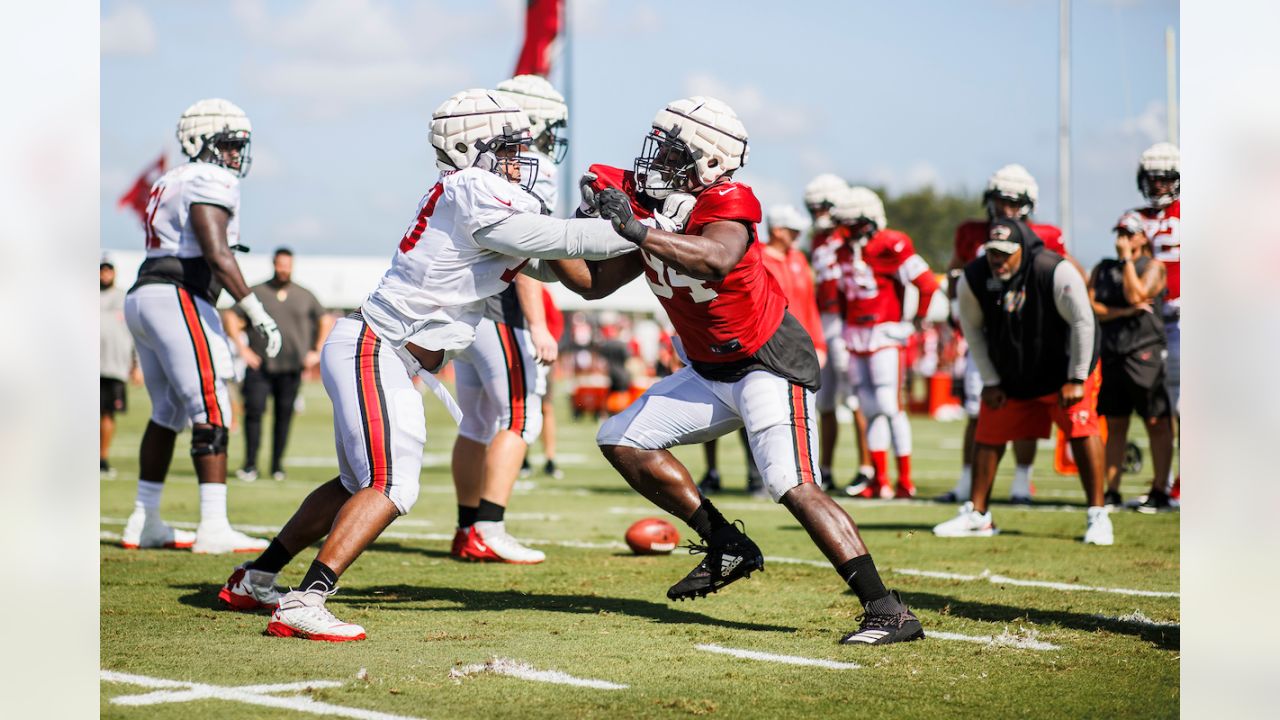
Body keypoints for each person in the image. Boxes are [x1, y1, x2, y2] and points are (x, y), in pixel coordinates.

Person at [216, 88, 637, 641]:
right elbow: (563, 238)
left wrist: (647, 244)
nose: (520, 158)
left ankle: (257, 577)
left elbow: (581, 278)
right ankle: (305, 600)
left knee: (353, 484)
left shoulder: (483, 200)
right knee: (392, 486)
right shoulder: (472, 189)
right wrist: (646, 226)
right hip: (379, 347)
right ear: (469, 149)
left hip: (384, 352)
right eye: (507, 147)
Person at [551, 96, 924, 645]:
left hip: (766, 363)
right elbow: (592, 283)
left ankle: (887, 608)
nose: (657, 159)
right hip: (708, 368)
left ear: (706, 160)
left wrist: (635, 229)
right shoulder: (655, 207)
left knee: (789, 483)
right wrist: (555, 233)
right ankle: (725, 544)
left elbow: (715, 257)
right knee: (621, 437)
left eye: (673, 150)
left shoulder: (729, 200)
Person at [122, 98, 282, 554]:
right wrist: (256, 310)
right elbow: (216, 251)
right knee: (213, 407)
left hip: (146, 294)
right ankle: (213, 527)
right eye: (229, 144)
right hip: (179, 293)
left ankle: (144, 518)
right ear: (201, 143)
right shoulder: (209, 179)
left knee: (166, 412)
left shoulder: (172, 178)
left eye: (239, 146)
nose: (235, 155)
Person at [446, 75, 567, 565]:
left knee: (476, 420)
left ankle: (465, 528)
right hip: (502, 309)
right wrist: (538, 323)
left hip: (465, 309)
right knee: (521, 415)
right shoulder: (530, 167)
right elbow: (525, 248)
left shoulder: (475, 166)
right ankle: (489, 528)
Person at [934, 218, 1113, 545]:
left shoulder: (1052, 270)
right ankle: (978, 514)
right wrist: (990, 380)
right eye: (993, 252)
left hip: (1062, 371)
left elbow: (1083, 323)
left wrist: (1076, 376)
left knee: (1081, 428)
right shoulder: (974, 277)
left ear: (1022, 250)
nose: (997, 260)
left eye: (1005, 253)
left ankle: (1098, 514)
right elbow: (971, 331)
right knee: (988, 433)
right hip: (1014, 372)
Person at [938, 164, 1067, 505]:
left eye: (1011, 202)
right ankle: (967, 484)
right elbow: (954, 272)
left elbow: (1063, 278)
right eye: (998, 201)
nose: (1003, 209)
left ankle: (1021, 483)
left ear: (1027, 204)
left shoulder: (1046, 236)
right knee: (977, 409)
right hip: (985, 332)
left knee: (1024, 411)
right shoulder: (971, 233)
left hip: (1029, 337)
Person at [700, 205, 824, 496]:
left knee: (784, 414)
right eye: (792, 231)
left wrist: (818, 341)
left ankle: (789, 477)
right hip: (760, 341)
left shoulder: (799, 260)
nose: (796, 236)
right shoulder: (759, 255)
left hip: (795, 344)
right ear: (778, 229)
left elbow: (808, 303)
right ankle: (730, 473)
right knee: (735, 408)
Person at [825, 187, 939, 499]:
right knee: (870, 408)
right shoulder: (844, 252)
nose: (844, 232)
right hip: (855, 335)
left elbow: (927, 284)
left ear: (867, 222)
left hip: (885, 333)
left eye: (850, 225)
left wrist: (917, 320)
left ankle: (904, 480)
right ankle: (881, 480)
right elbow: (844, 296)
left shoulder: (892, 244)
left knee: (890, 406)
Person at [1089, 212, 1175, 512]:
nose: (1121, 240)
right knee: (1114, 424)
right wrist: (1124, 313)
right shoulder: (1102, 268)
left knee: (1156, 420)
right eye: (1119, 233)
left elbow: (1136, 292)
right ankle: (1111, 490)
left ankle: (1159, 490)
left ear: (1142, 237)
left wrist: (1127, 261)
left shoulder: (1153, 267)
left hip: (1145, 352)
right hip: (1113, 351)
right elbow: (1092, 306)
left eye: (1128, 234)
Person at [227, 247, 332, 483]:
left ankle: (277, 465)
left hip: (291, 368)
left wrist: (316, 350)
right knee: (254, 413)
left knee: (284, 417)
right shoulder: (256, 292)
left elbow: (325, 319)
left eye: (287, 265)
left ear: (292, 266)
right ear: (273, 264)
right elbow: (231, 316)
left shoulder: (305, 295)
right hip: (260, 367)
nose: (283, 269)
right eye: (279, 264)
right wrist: (242, 349)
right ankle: (250, 464)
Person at [807, 174, 874, 493]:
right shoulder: (817, 239)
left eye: (823, 206)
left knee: (857, 398)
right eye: (814, 208)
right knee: (825, 402)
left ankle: (868, 466)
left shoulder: (853, 235)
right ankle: (826, 469)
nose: (818, 213)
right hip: (824, 322)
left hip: (849, 322)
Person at [1134, 143, 1181, 501]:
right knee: (1157, 408)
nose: (1160, 186)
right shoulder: (1134, 219)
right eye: (1154, 179)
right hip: (1147, 325)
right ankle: (1162, 484)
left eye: (1166, 179)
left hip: (1186, 319)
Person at [100, 254, 136, 478]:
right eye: (101, 270)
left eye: (108, 270)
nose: (104, 274)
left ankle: (102, 458)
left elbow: (135, 333)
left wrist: (137, 364)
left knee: (108, 414)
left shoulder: (125, 298)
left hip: (115, 366)